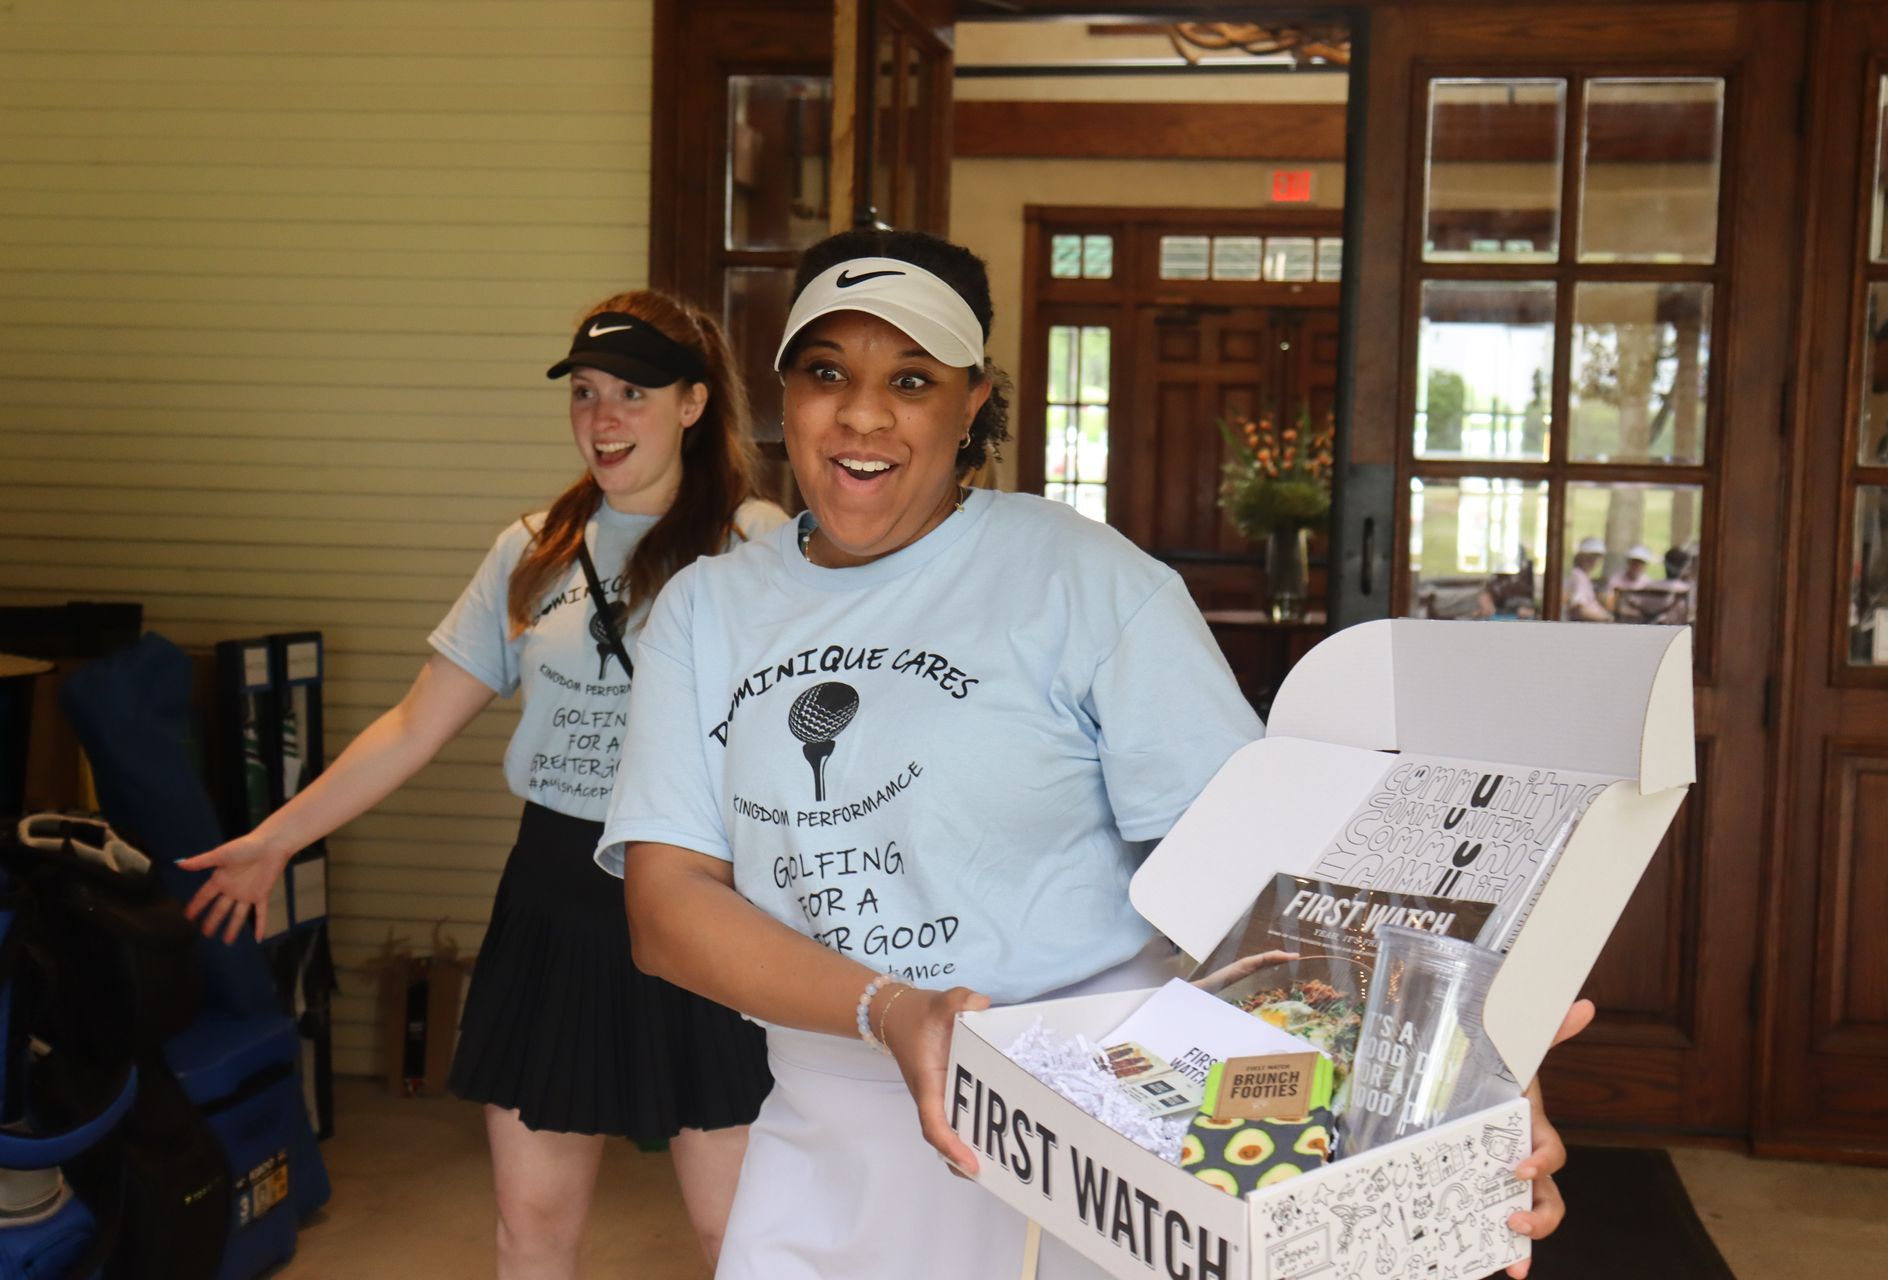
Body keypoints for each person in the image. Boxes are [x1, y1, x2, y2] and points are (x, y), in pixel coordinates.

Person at [599, 229, 1584, 1278]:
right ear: (784, 390)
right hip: (824, 1136)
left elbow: (1273, 888)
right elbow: (667, 907)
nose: (863, 414)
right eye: (826, 371)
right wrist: (888, 1008)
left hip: (1095, 1134)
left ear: (973, 401)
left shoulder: (1084, 579)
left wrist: (1455, 1063)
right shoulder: (708, 611)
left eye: (914, 378)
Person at [178, 291, 786, 1278]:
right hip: (553, 895)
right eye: (585, 393)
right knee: (532, 1229)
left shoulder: (760, 545)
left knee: (743, 1235)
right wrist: (278, 835)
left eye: (632, 392)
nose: (603, 418)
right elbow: (415, 723)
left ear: (691, 403)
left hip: (710, 897)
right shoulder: (534, 546)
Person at [1565, 535, 1613, 622]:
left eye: (1596, 557)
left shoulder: (1583, 576)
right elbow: (1578, 610)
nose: (1593, 560)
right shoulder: (1578, 576)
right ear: (1581, 556)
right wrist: (1606, 618)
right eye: (1590, 556)